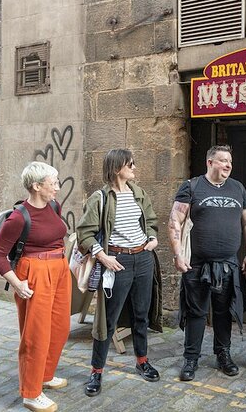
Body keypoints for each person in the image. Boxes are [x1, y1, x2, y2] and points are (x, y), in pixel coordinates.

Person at [76, 149, 162, 397]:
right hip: (117, 261)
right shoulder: (100, 198)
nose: (135, 167)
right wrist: (103, 256)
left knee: (141, 315)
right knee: (107, 321)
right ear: (116, 168)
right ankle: (96, 372)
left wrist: (153, 238)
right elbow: (85, 233)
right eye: (130, 164)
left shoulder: (138, 193)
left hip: (143, 259)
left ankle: (142, 361)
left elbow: (152, 221)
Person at [167, 145, 246, 382]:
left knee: (224, 312)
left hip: (228, 264)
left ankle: (223, 354)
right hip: (197, 264)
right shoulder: (192, 186)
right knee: (196, 312)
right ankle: (191, 358)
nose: (228, 165)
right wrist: (178, 254)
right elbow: (175, 220)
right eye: (223, 160)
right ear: (210, 162)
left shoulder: (238, 188)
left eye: (230, 161)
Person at [0, 162, 70, 412]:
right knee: (35, 334)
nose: (58, 187)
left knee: (60, 327)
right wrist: (16, 283)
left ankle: (45, 375)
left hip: (59, 269)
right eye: (53, 183)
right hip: (34, 273)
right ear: (37, 186)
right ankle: (31, 393)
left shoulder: (54, 206)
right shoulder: (18, 217)